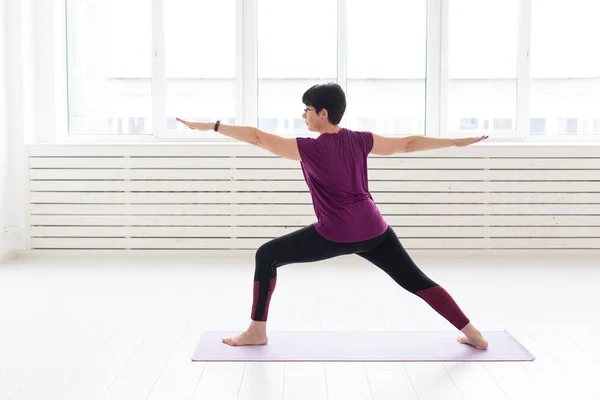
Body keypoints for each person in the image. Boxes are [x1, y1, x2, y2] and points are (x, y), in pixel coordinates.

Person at [177, 82, 489, 350]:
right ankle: (473, 334)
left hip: (336, 232)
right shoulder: (361, 139)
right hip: (374, 229)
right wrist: (455, 142)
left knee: (267, 255)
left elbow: (258, 137)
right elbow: (407, 144)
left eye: (307, 109)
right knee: (415, 280)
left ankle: (256, 331)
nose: (303, 116)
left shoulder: (310, 148)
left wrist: (213, 126)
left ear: (323, 114)